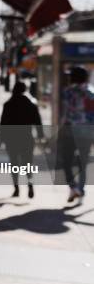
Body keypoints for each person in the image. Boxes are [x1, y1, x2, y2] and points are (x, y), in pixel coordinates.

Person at [0, 81, 44, 198]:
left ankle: (16, 188)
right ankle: (30, 183)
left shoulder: (8, 104)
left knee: (14, 163)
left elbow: (3, 123)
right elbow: (37, 121)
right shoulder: (30, 104)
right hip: (26, 137)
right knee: (28, 163)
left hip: (11, 138)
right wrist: (40, 135)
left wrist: (0, 138)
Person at [60, 66, 94, 202]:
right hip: (86, 131)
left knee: (66, 161)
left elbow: (65, 114)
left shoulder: (68, 92)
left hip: (70, 131)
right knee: (83, 162)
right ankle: (80, 189)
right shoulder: (91, 93)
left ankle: (73, 187)